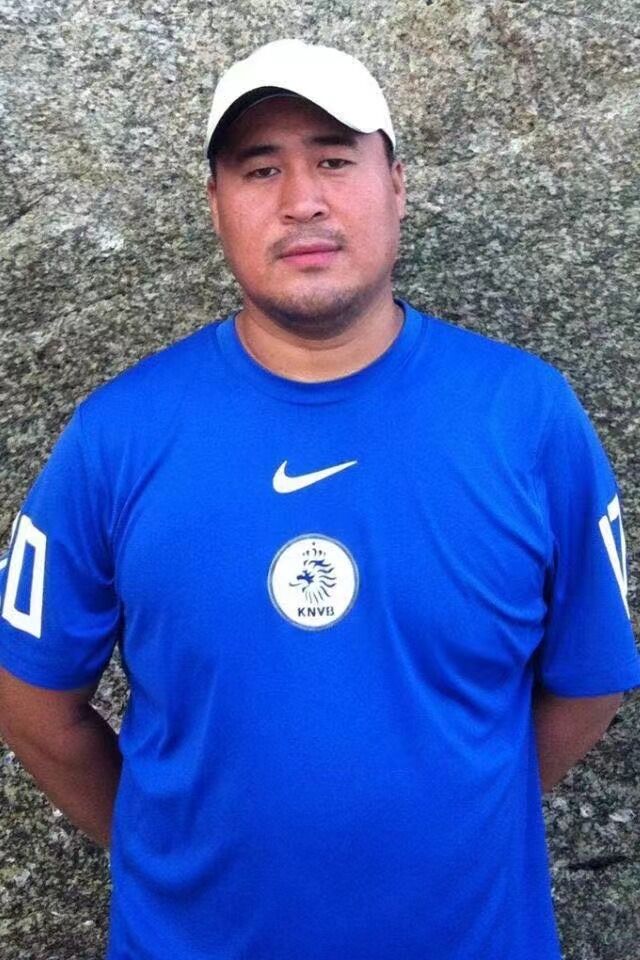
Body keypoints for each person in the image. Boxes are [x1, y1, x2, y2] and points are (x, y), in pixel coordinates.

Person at [0, 36, 638, 960]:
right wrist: (165, 850)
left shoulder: (526, 416)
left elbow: (590, 681)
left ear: (397, 185)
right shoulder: (117, 436)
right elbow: (33, 704)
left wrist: (460, 819)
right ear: (216, 205)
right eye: (260, 169)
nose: (302, 199)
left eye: (335, 159)